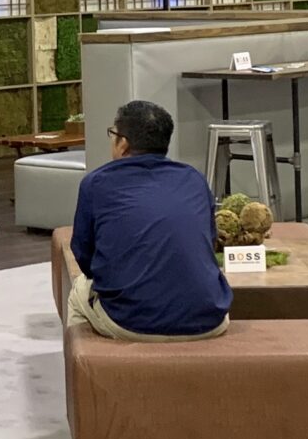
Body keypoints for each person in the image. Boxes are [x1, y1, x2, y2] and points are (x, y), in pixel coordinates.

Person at [66, 101, 230, 341]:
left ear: (123, 144)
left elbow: (84, 255)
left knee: (79, 292)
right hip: (209, 320)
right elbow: (209, 245)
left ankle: (86, 361)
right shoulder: (194, 179)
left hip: (131, 322)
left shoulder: (96, 183)